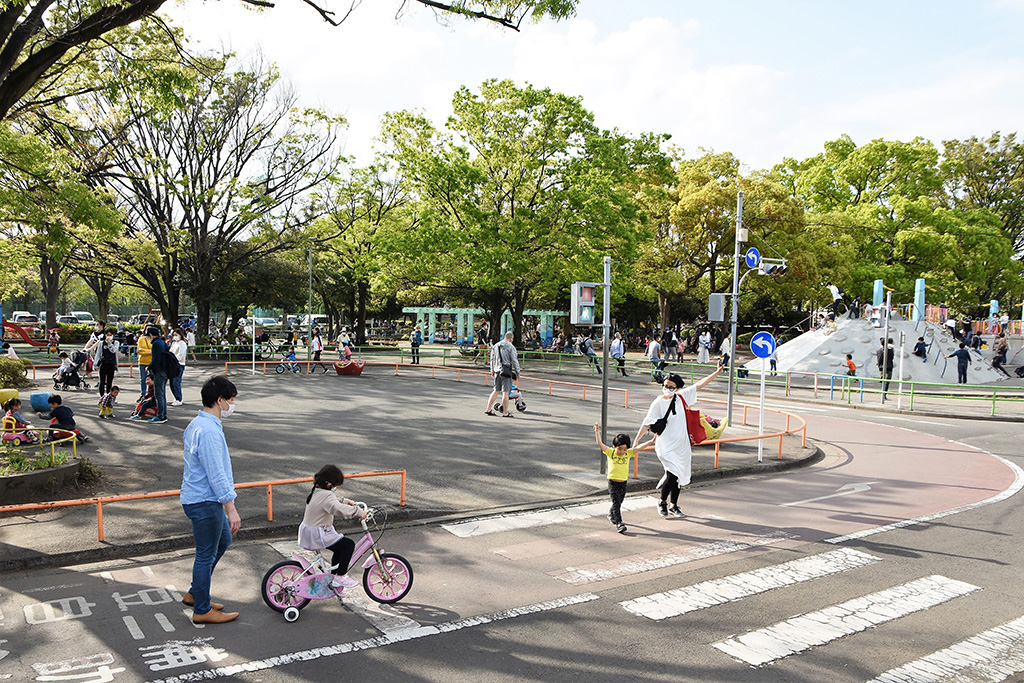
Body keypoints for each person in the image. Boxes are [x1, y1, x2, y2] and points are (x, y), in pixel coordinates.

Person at [180, 375, 240, 624]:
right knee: (205, 554)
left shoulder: (198, 424)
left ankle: (197, 593)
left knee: (222, 540)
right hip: (205, 500)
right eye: (231, 399)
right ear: (219, 400)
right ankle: (202, 609)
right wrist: (231, 508)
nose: (232, 404)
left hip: (198, 498)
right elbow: (216, 473)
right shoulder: (209, 431)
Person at [634, 367, 723, 518]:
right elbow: (647, 422)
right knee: (672, 474)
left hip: (682, 445)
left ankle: (674, 505)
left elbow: (700, 384)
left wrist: (717, 372)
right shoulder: (658, 402)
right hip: (665, 446)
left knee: (679, 475)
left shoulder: (682, 397)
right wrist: (636, 441)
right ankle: (662, 501)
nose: (667, 389)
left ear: (678, 388)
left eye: (671, 387)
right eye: (665, 385)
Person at [298, 464, 368, 590]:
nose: (335, 489)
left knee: (339, 548)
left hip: (309, 531)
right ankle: (340, 576)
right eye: (336, 486)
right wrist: (358, 511)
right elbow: (337, 508)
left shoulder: (317, 490)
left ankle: (334, 576)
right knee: (348, 545)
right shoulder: (327, 496)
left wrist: (346, 501)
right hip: (318, 533)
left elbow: (333, 502)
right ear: (330, 485)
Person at [594, 424, 653, 534]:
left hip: (623, 482)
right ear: (614, 446)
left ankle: (611, 514)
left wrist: (652, 440)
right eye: (619, 449)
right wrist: (597, 431)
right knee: (616, 503)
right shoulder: (610, 452)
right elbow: (600, 444)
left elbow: (639, 447)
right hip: (612, 482)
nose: (622, 452)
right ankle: (619, 523)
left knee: (619, 502)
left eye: (624, 449)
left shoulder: (628, 454)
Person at [484, 331, 520, 417]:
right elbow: (514, 360)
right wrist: (517, 371)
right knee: (505, 392)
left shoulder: (496, 345)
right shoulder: (511, 347)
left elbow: (492, 359)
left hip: (496, 370)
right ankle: (505, 412)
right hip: (506, 371)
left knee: (496, 390)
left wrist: (492, 370)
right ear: (511, 338)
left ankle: (488, 409)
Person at [145, 326, 169, 423]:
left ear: (151, 334)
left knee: (158, 394)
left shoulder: (156, 344)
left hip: (159, 371)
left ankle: (160, 416)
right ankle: (163, 414)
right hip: (165, 370)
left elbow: (156, 359)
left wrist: (149, 367)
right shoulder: (162, 342)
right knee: (162, 394)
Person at [92, 327, 119, 398]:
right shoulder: (101, 343)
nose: (109, 336)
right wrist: (95, 364)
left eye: (110, 335)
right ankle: (102, 396)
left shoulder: (116, 343)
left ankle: (109, 396)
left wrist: (109, 343)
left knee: (109, 381)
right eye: (107, 335)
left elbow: (113, 350)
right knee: (102, 380)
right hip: (103, 363)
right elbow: (98, 353)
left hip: (111, 364)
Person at [170, 328, 188, 406]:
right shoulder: (174, 343)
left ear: (180, 335)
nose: (175, 337)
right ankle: (176, 397)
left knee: (176, 381)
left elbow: (180, 355)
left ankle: (179, 398)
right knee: (172, 382)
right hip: (172, 365)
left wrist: (174, 360)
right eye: (174, 335)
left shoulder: (182, 344)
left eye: (176, 335)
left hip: (179, 364)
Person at [137, 327, 152, 395]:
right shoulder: (141, 339)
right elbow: (139, 351)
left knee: (152, 379)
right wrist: (148, 352)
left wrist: (143, 350)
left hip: (151, 362)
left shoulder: (153, 339)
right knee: (143, 379)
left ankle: (151, 394)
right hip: (142, 361)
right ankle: (143, 394)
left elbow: (154, 351)